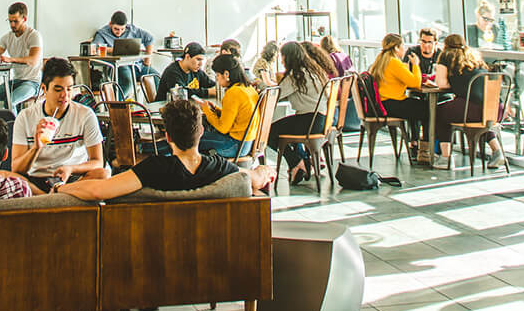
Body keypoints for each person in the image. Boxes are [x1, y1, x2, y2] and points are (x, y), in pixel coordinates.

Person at [59, 99, 275, 199]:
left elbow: (98, 191)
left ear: (167, 136)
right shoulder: (218, 167)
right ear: (200, 132)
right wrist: (266, 172)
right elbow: (253, 178)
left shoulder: (155, 169)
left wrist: (62, 188)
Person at [10, 56, 109, 192]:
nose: (65, 95)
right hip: (37, 178)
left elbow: (98, 161)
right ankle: (52, 196)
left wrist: (71, 168)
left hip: (71, 178)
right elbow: (16, 168)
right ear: (44, 89)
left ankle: (54, 195)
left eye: (69, 89)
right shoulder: (25, 117)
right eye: (58, 89)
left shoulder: (85, 114)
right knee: (6, 176)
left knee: (103, 174)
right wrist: (36, 148)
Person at [432, 34, 506, 169]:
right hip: (496, 109)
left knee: (439, 112)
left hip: (473, 109)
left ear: (446, 46)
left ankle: (446, 158)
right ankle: (497, 152)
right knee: (483, 122)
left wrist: (453, 84)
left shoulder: (446, 56)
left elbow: (441, 83)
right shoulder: (474, 56)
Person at [269, 41, 328, 184]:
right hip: (321, 119)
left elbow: (276, 95)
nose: (281, 60)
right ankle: (302, 161)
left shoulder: (297, 75)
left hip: (308, 122)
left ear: (289, 57)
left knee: (268, 132)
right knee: (286, 126)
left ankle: (296, 162)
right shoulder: (313, 70)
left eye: (282, 57)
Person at [369, 33, 431, 163]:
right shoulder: (393, 62)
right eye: (402, 46)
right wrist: (416, 65)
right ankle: (425, 150)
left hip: (383, 104)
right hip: (393, 104)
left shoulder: (380, 60)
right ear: (396, 48)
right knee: (428, 109)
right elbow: (414, 83)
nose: (404, 48)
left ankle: (415, 143)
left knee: (417, 105)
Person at [0, 1, 43, 112]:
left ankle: (13, 129)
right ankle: (0, 125)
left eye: (15, 21)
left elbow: (33, 60)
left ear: (24, 19)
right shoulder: (7, 38)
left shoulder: (33, 35)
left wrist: (10, 59)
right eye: (10, 21)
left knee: (9, 102)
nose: (12, 25)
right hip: (15, 81)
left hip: (33, 82)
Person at [196, 54, 258, 158]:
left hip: (235, 145)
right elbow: (236, 116)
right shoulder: (248, 88)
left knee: (190, 139)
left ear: (226, 74)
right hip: (247, 143)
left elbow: (223, 128)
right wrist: (215, 110)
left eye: (217, 75)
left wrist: (206, 111)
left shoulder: (233, 93)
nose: (217, 79)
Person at [92, 10, 154, 95]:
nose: (119, 32)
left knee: (156, 77)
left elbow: (149, 39)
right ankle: (116, 107)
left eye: (122, 29)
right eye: (116, 29)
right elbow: (95, 48)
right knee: (128, 84)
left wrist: (148, 60)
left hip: (137, 65)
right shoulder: (102, 33)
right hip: (120, 65)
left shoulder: (132, 29)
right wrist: (115, 49)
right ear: (110, 24)